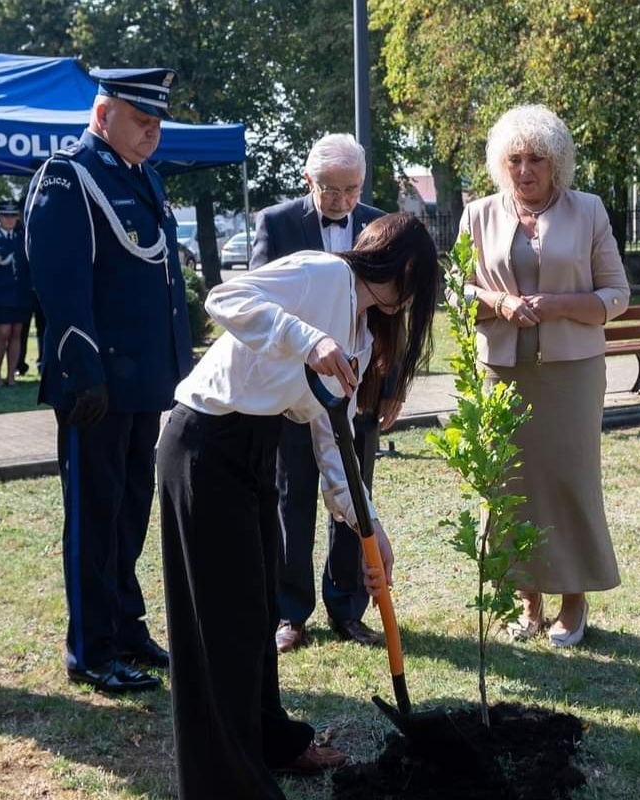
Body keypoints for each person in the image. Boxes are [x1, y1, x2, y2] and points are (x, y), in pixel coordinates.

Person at [158, 213, 439, 799]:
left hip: (254, 452)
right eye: (419, 286)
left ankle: (270, 742)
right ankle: (229, 784)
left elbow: (331, 439)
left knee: (256, 615)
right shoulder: (322, 274)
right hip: (204, 445)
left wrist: (368, 526)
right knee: (223, 627)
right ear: (405, 269)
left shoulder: (360, 333)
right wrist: (309, 340)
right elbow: (224, 297)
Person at [24, 67, 193, 693]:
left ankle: (125, 627)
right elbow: (61, 284)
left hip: (143, 379)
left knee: (128, 511)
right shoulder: (70, 176)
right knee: (93, 516)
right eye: (141, 122)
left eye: (156, 124)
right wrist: (80, 369)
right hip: (96, 383)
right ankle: (90, 648)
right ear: (103, 117)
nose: (152, 135)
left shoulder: (141, 176)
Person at [458, 104, 630, 648]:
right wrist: (499, 302)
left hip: (572, 373)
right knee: (511, 485)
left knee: (569, 479)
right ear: (499, 164)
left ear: (557, 163)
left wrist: (559, 304)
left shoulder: (590, 211)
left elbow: (616, 295)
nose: (525, 169)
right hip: (502, 372)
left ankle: (573, 599)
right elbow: (458, 290)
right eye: (514, 159)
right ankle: (527, 599)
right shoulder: (477, 214)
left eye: (537, 158)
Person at [250, 133, 393, 654]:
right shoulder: (277, 222)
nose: (342, 202)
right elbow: (261, 300)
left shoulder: (379, 223)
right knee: (293, 498)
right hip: (295, 386)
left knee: (354, 492)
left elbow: (390, 315)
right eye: (331, 190)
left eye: (352, 190)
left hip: (357, 387)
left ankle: (348, 605)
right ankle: (291, 612)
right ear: (308, 181)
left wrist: (388, 385)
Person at [0, 200, 35, 387]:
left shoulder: (22, 237)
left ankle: (11, 375)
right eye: (6, 215)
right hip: (0, 295)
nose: (9, 219)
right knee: (3, 333)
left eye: (13, 215)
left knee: (17, 333)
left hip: (20, 294)